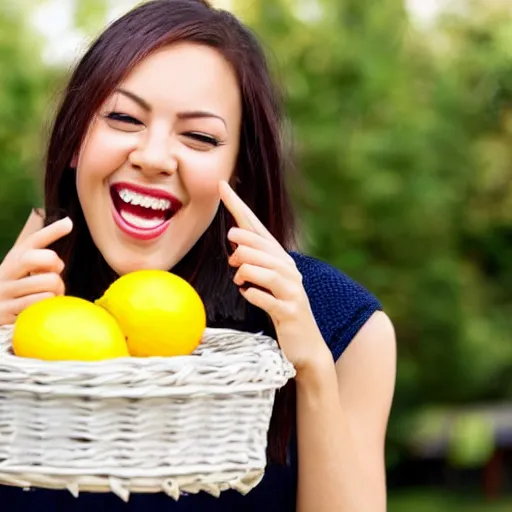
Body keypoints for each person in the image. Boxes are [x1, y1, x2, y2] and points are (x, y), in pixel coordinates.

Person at [0, 0, 396, 510]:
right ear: (77, 138)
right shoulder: (17, 303)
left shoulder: (342, 326)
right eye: (123, 117)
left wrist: (312, 369)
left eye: (200, 136)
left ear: (237, 170)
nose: (154, 157)